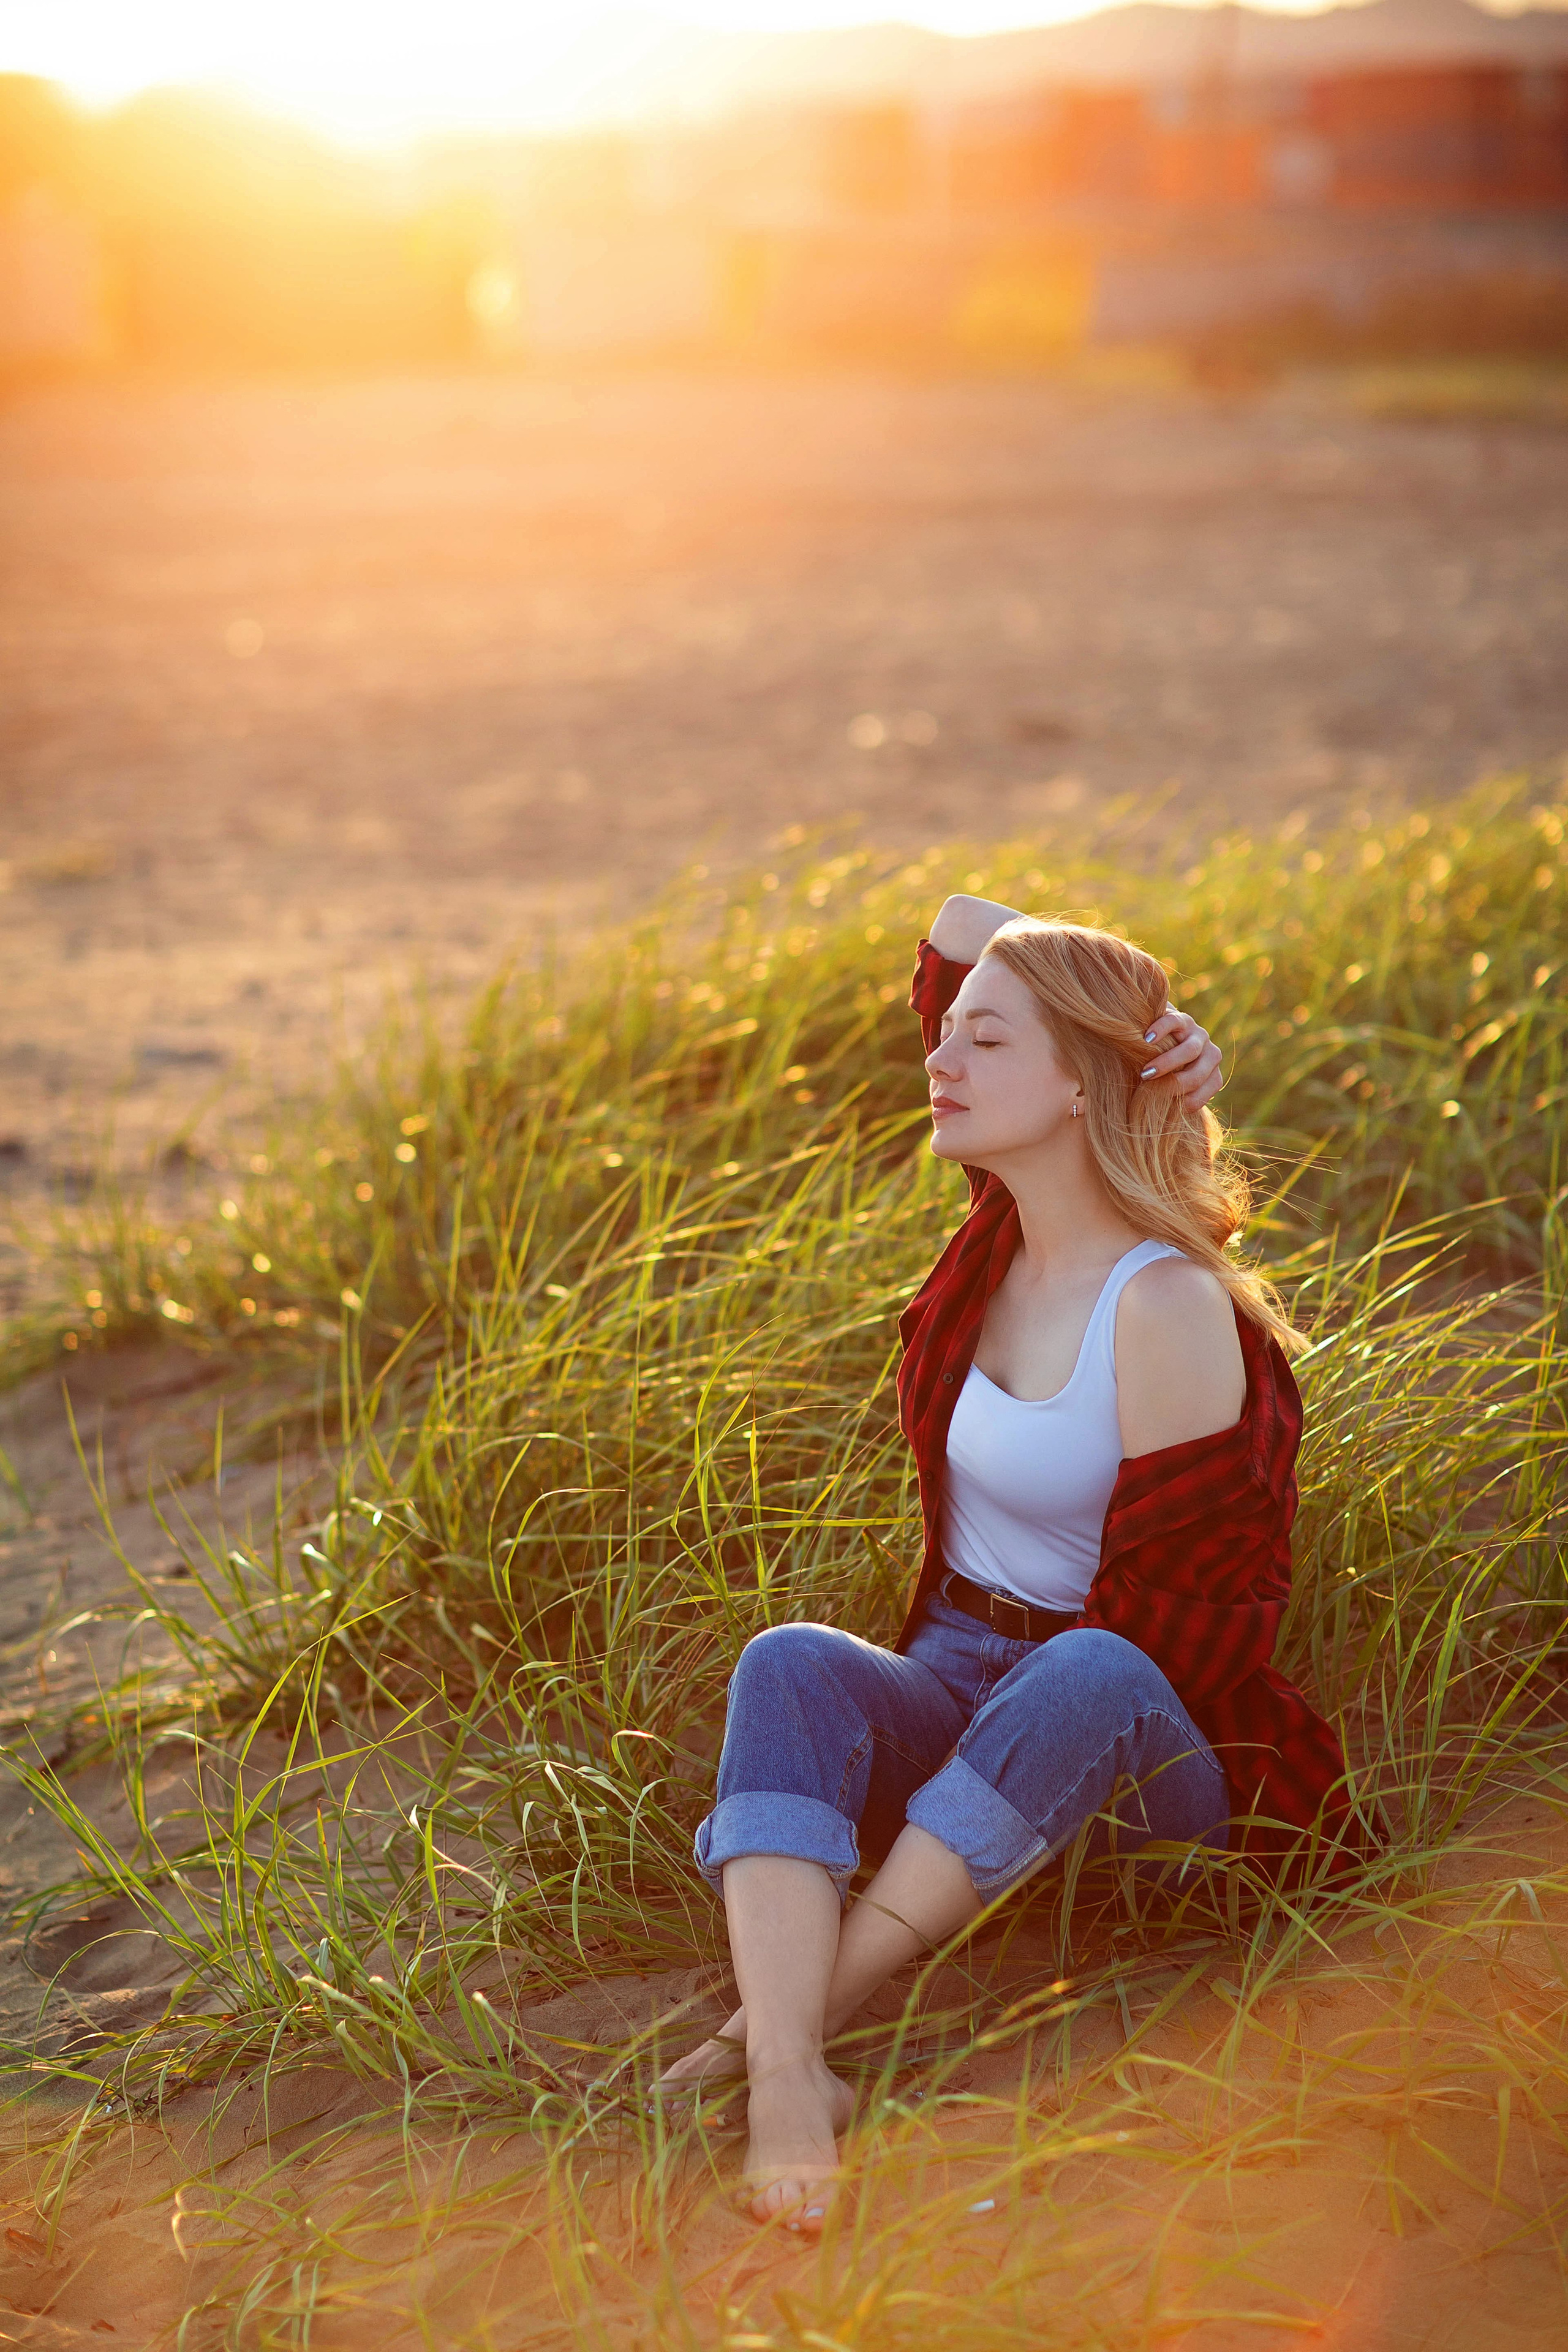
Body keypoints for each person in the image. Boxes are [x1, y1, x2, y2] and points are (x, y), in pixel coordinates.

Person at [657, 892, 1357, 2232]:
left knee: (1086, 1669)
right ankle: (798, 2077)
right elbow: (956, 929)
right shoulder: (998, 1240)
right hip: (957, 1670)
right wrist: (1146, 1013)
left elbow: (1193, 1637)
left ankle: (776, 2033)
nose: (941, 1057)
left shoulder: (1166, 1305)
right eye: (953, 1032)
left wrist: (1127, 1022)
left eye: (986, 1040)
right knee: (789, 1664)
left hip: (1139, 1747)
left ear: (1079, 1085)